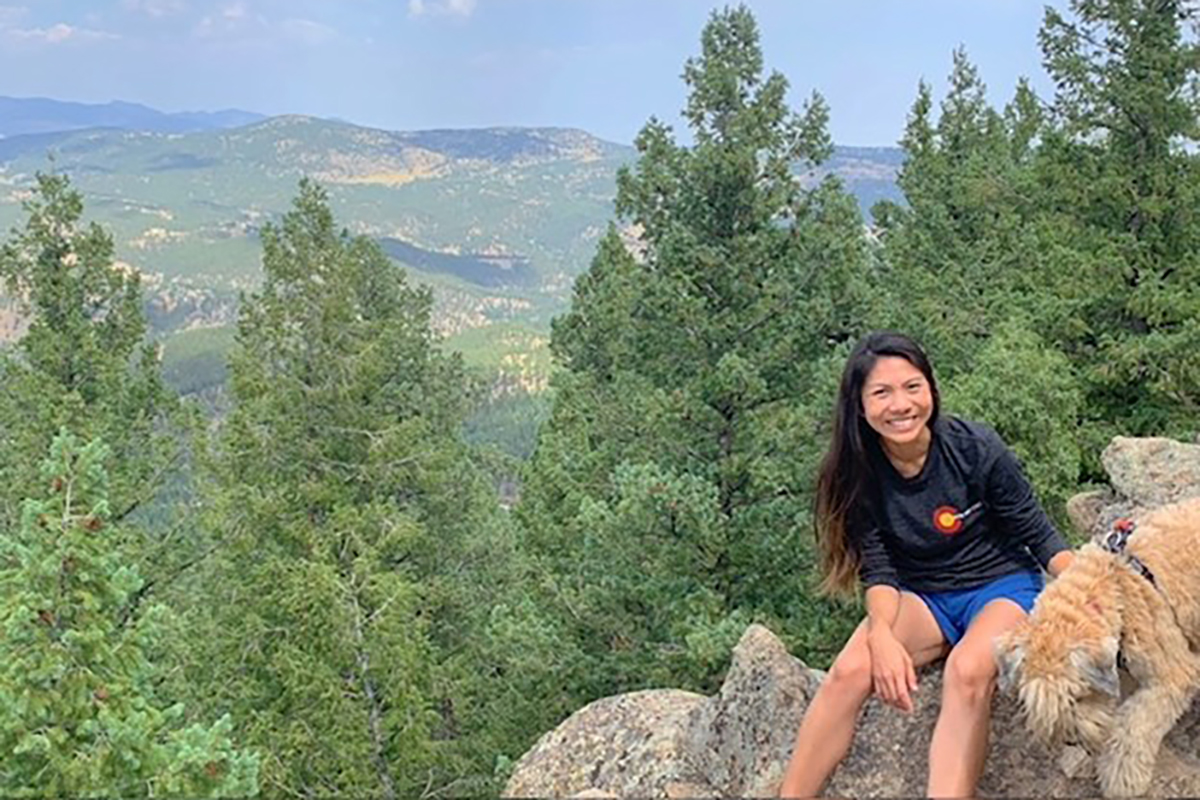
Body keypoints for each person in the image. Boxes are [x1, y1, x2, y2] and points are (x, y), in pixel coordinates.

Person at [778, 332, 1075, 799]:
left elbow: (1037, 533)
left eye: (912, 387)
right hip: (921, 594)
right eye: (882, 392)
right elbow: (878, 570)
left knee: (968, 670)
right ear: (859, 406)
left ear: (931, 390)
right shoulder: (856, 471)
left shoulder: (975, 448)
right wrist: (880, 636)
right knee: (851, 670)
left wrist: (1091, 587)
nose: (901, 405)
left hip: (1001, 587)